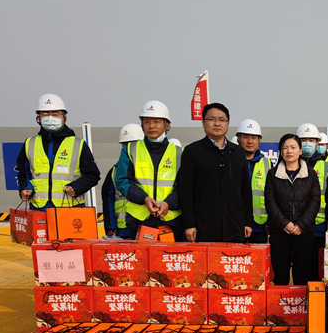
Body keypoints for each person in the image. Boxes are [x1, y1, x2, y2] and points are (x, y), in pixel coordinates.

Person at [176, 102, 253, 242]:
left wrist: (248, 221)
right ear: (203, 123)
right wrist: (189, 224)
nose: (217, 123)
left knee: (232, 256)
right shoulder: (192, 151)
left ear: (228, 124)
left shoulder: (238, 152)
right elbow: (186, 191)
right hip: (204, 225)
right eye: (212, 119)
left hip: (234, 225)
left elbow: (245, 190)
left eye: (222, 119)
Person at [114, 101, 183, 240]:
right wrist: (144, 198)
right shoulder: (130, 150)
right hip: (139, 221)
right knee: (141, 255)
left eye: (156, 121)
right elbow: (122, 180)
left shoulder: (180, 153)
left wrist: (169, 203)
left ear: (167, 125)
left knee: (168, 254)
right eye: (146, 122)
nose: (151, 126)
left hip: (170, 222)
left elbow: (185, 186)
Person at [17, 93, 100, 209]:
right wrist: (25, 187)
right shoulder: (29, 143)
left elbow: (93, 175)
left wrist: (76, 187)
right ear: (39, 118)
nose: (50, 117)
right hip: (39, 209)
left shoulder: (78, 145)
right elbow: (23, 172)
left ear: (64, 118)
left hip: (70, 209)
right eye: (45, 114)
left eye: (55, 114)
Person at [264, 134, 320, 285]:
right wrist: (285, 224)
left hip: (304, 232)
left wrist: (301, 225)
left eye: (293, 147)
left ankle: (300, 301)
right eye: (285, 148)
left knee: (303, 276)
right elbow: (270, 202)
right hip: (279, 232)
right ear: (281, 152)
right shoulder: (272, 174)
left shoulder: (310, 174)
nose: (289, 151)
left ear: (300, 151)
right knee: (280, 276)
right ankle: (281, 301)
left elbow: (315, 201)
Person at [296, 123, 328, 280]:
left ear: (317, 143)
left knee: (317, 271)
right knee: (300, 269)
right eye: (304, 140)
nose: (308, 143)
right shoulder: (290, 165)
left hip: (320, 226)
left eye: (311, 140)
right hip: (297, 227)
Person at [102, 123, 144, 240]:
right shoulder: (115, 171)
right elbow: (108, 199)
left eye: (133, 144)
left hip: (145, 226)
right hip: (123, 230)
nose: (128, 148)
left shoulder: (149, 169)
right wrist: (110, 225)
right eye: (125, 144)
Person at [237, 119, 273, 244]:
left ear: (259, 141)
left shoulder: (267, 163)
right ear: (239, 139)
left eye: (254, 137)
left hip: (260, 226)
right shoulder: (231, 161)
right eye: (245, 137)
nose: (250, 141)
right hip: (236, 223)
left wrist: (270, 222)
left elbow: (272, 195)